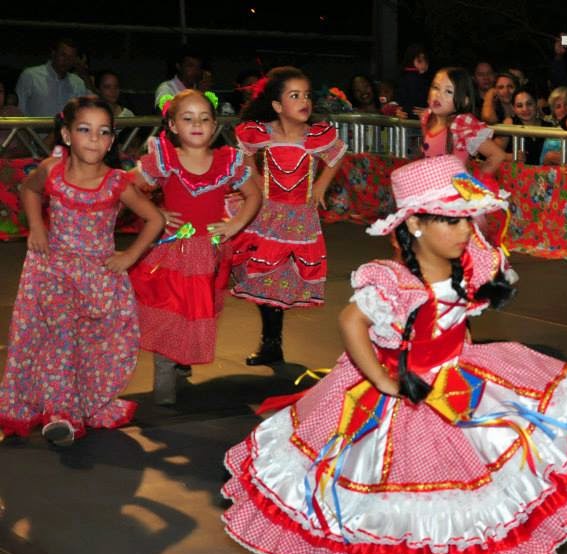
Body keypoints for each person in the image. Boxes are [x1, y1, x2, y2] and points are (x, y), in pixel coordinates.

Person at [221, 154, 567, 554]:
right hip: (408, 390)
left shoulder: (469, 267)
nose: (466, 232)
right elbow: (350, 323)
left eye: (468, 221)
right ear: (416, 224)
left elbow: (459, 324)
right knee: (402, 486)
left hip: (457, 378)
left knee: (493, 462)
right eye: (452, 221)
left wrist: (466, 357)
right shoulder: (392, 280)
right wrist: (382, 381)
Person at [0, 96, 164, 445]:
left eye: (103, 132)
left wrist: (129, 256)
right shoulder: (52, 170)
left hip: (97, 274)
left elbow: (155, 219)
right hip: (53, 269)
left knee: (89, 346)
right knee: (58, 337)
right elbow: (29, 190)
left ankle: (79, 400)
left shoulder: (117, 182)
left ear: (111, 140)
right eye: (85, 130)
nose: (94, 139)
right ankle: (62, 415)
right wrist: (37, 227)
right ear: (67, 134)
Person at [129, 90, 261, 404]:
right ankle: (164, 376)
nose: (197, 124)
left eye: (204, 118)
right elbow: (127, 186)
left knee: (199, 312)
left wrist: (233, 225)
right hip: (173, 252)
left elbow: (254, 196)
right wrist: (156, 213)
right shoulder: (165, 160)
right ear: (173, 126)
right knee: (171, 312)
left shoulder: (227, 161)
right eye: (187, 119)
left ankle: (180, 362)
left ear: (215, 124)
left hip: (209, 254)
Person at [232, 67, 346, 366]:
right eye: (294, 95)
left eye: (306, 95)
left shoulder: (316, 136)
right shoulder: (262, 133)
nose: (303, 101)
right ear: (278, 106)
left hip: (299, 219)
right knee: (264, 275)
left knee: (282, 277)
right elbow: (242, 153)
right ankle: (271, 342)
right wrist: (254, 180)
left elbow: (335, 156)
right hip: (267, 216)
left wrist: (321, 183)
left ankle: (272, 342)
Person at [420, 67, 506, 179]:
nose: (438, 95)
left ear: (464, 101)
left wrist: (475, 182)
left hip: (454, 191)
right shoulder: (427, 118)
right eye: (436, 87)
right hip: (430, 189)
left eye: (448, 91)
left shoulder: (461, 124)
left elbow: (497, 155)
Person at [15, 38, 89, 117]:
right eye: (63, 55)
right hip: (33, 129)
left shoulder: (77, 83)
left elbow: (82, 114)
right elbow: (19, 110)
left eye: (71, 57)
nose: (67, 60)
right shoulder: (31, 76)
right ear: (53, 53)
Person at [501, 87, 546, 164]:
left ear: (536, 104)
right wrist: (510, 156)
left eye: (529, 104)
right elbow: (491, 152)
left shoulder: (548, 126)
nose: (525, 109)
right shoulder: (509, 124)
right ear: (513, 108)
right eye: (519, 106)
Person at [397, 43, 430, 117]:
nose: (424, 65)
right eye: (419, 61)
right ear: (411, 61)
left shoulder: (403, 77)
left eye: (426, 61)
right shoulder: (412, 78)